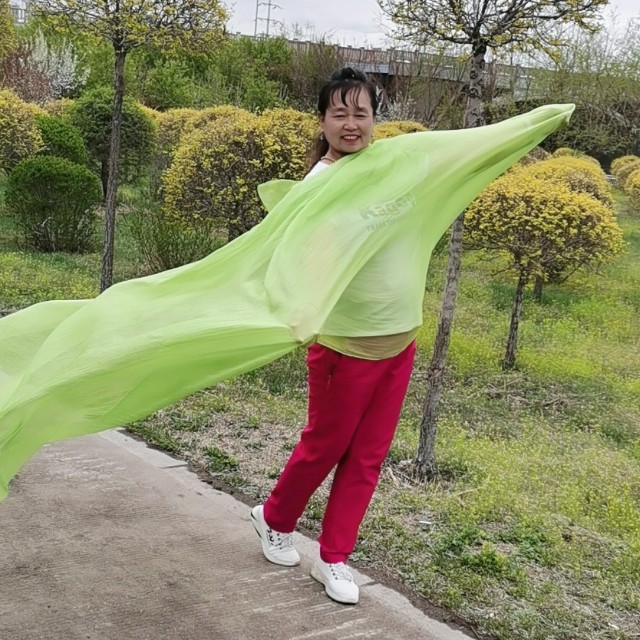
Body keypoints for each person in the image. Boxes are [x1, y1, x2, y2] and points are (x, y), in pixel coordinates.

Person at [251, 67, 419, 605]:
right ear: (322, 121)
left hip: (398, 337)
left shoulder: (387, 167)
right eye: (339, 113)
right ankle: (274, 518)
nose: (351, 124)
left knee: (368, 457)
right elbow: (295, 258)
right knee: (326, 446)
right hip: (344, 343)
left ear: (374, 120)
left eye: (360, 113)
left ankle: (334, 557)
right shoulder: (318, 184)